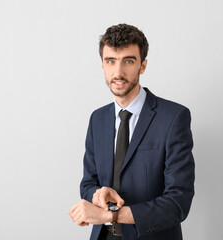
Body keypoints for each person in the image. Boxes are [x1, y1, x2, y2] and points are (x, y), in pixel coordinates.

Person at [69, 23, 195, 240]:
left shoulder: (173, 118)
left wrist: (112, 214)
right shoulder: (97, 119)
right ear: (102, 66)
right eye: (111, 61)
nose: (118, 72)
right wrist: (99, 196)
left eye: (128, 61)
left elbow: (178, 202)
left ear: (142, 66)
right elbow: (88, 184)